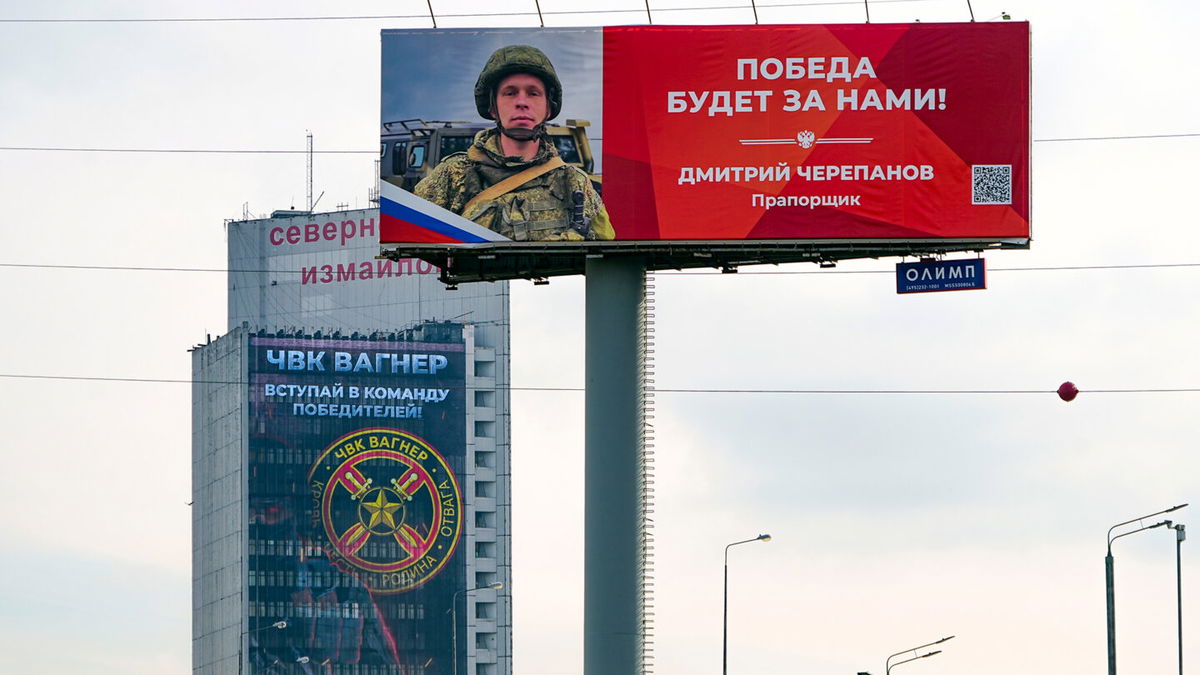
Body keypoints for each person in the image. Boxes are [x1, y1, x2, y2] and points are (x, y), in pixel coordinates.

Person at [414, 45, 614, 242]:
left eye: (533, 93)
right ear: (493, 107)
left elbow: (606, 248)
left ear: (548, 108)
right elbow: (409, 231)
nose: (521, 102)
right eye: (510, 93)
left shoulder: (573, 181)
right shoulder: (454, 175)